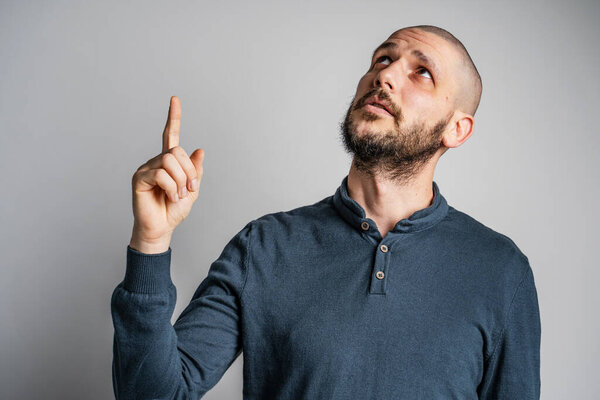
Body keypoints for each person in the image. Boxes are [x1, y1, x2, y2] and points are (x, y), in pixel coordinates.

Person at [111, 24, 541, 399]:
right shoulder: (263, 247)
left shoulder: (501, 271)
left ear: (456, 128)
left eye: (421, 72)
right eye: (382, 59)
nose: (385, 75)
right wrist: (150, 242)